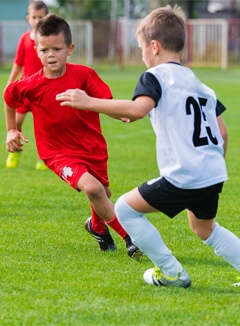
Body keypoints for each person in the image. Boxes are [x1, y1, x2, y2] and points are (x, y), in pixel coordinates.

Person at [55, 5, 240, 288]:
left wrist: (88, 102)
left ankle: (171, 273)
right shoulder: (200, 84)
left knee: (126, 209)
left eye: (141, 48)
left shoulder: (155, 77)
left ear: (153, 46)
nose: (141, 55)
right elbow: (223, 132)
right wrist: (210, 167)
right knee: (204, 227)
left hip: (185, 174)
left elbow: (139, 109)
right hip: (212, 172)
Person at [4, 13, 142, 259]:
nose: (50, 55)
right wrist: (12, 129)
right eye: (44, 50)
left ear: (70, 49)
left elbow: (104, 102)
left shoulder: (84, 75)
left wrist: (120, 114)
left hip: (92, 147)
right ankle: (130, 238)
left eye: (57, 49)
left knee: (104, 194)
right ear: (37, 51)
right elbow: (9, 96)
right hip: (57, 153)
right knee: (93, 189)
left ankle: (96, 226)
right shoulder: (31, 84)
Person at [6, 0, 48, 170]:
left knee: (44, 125)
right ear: (28, 18)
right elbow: (18, 63)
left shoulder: (47, 40)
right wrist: (10, 82)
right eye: (34, 17)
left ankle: (44, 157)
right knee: (16, 120)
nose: (37, 20)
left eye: (41, 17)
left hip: (44, 89)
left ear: (47, 18)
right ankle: (15, 151)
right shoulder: (24, 39)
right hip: (25, 89)